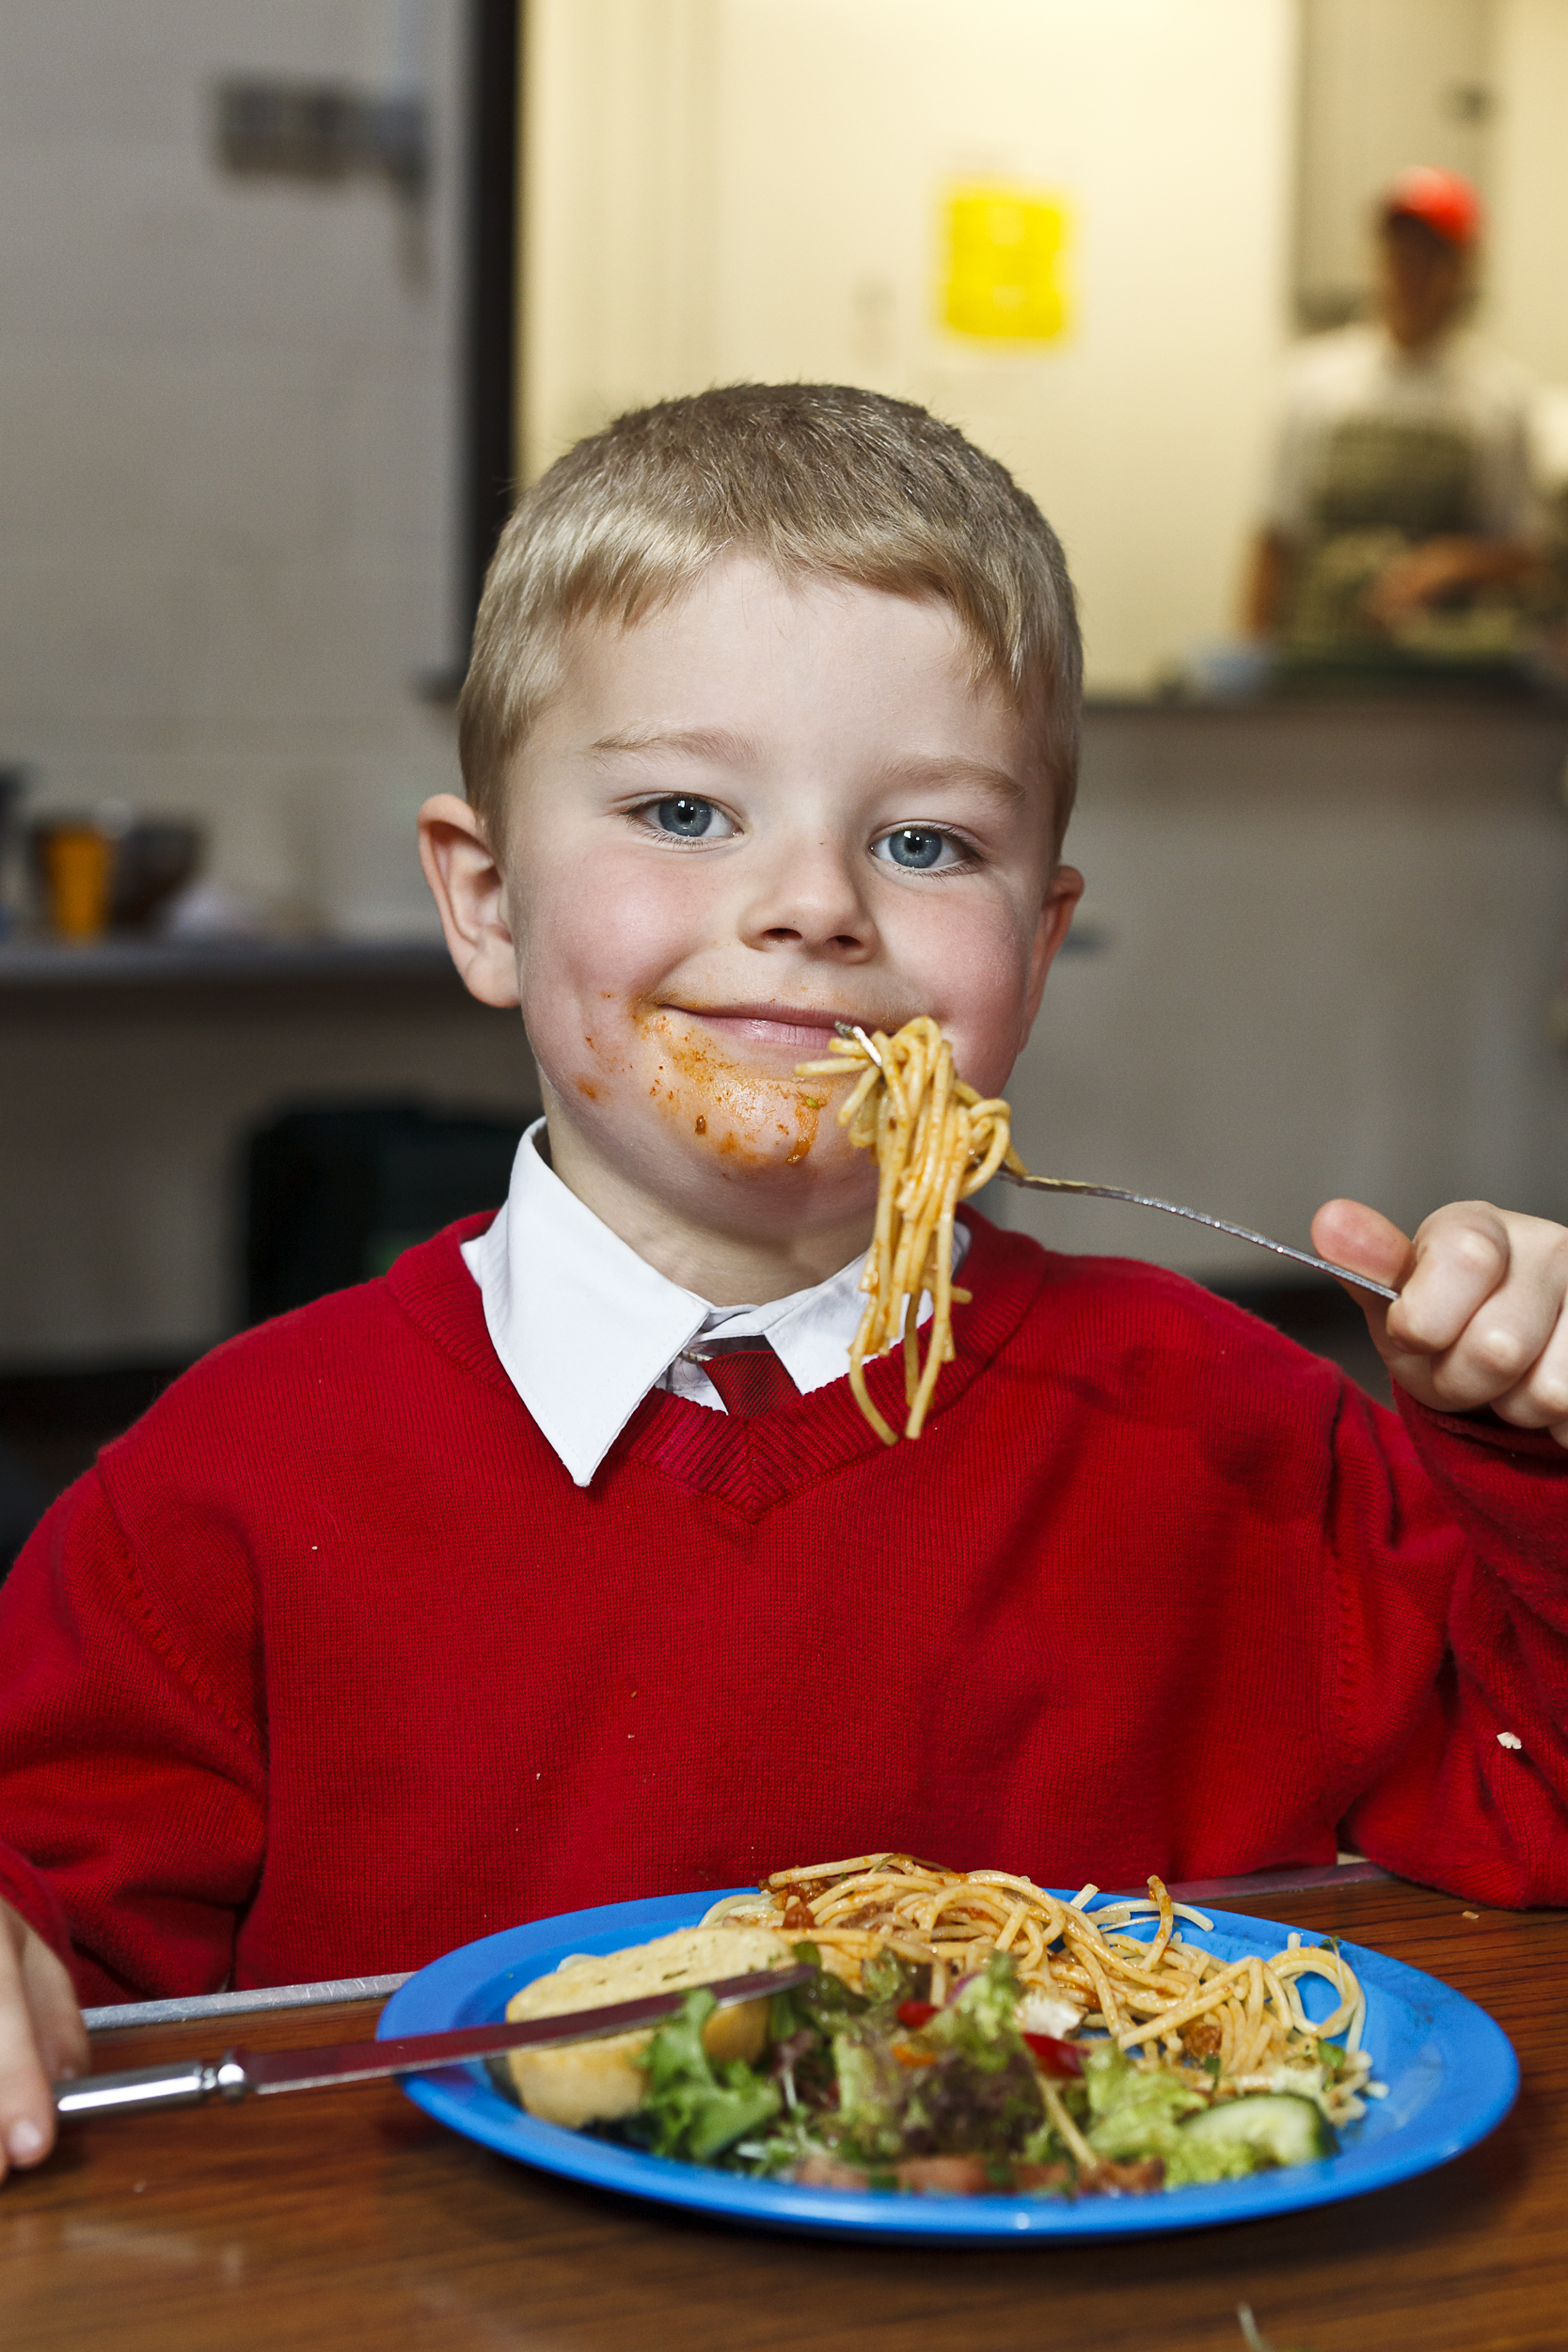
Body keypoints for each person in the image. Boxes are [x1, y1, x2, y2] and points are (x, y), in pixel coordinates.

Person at [1, 383, 1566, 2184]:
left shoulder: (1237, 1438)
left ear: (1035, 951)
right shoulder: (229, 1489)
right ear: (486, 901)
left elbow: (1530, 1801)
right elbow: (58, 1954)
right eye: (683, 809)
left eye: (925, 844)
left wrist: (1530, 1466)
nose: (813, 902)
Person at [1244, 167, 1544, 654]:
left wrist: (1451, 563)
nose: (1411, 275)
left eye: (1431, 259)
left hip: (1443, 676)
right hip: (1319, 661)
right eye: (1399, 254)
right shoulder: (1312, 384)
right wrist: (1253, 662)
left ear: (1463, 271)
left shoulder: (1500, 398)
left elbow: (1524, 559)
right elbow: (1276, 542)